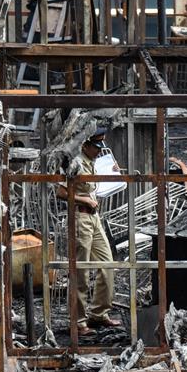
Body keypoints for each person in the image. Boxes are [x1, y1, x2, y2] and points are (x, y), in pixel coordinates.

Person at [56, 127, 122, 335]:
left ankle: (99, 313)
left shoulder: (93, 161)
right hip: (80, 216)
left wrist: (113, 173)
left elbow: (95, 185)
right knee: (81, 270)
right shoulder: (72, 161)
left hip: (94, 218)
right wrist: (83, 199)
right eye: (96, 146)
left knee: (107, 264)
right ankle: (78, 321)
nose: (99, 150)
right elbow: (60, 192)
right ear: (85, 144)